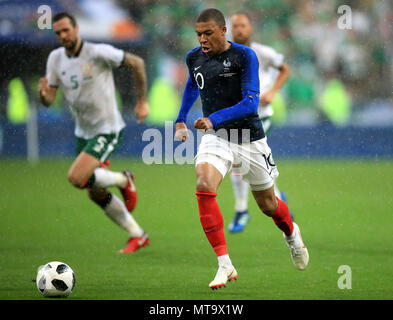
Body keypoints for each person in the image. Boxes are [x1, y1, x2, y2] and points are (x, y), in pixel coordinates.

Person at [175, 8, 308, 290]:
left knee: (268, 205)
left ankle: (292, 234)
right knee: (203, 184)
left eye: (208, 33)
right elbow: (191, 85)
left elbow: (250, 103)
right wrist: (180, 119)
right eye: (198, 34)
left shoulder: (245, 56)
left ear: (224, 31)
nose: (202, 39)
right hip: (217, 138)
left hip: (250, 138)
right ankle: (225, 264)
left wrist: (213, 118)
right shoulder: (194, 58)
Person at [38, 12, 150, 253]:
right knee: (94, 192)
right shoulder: (55, 59)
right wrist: (44, 96)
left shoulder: (98, 52)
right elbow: (49, 99)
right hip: (83, 132)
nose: (63, 36)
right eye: (58, 33)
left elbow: (137, 63)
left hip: (107, 129)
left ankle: (122, 179)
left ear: (76, 29)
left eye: (66, 30)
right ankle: (138, 234)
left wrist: (141, 101)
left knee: (76, 178)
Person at [228, 12, 292, 233]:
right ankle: (277, 196)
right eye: (235, 26)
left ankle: (241, 210)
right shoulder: (226, 55)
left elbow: (285, 69)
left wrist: (273, 91)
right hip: (236, 118)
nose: (239, 29)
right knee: (250, 161)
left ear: (250, 28)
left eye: (242, 25)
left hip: (260, 115)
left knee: (239, 159)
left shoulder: (262, 52)